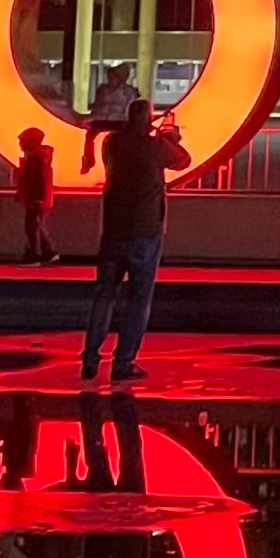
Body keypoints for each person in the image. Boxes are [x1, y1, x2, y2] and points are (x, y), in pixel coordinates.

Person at [81, 99, 188, 382]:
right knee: (139, 300)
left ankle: (90, 359)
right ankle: (123, 362)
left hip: (113, 232)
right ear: (148, 120)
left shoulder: (112, 144)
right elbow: (183, 160)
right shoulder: (156, 148)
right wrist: (169, 138)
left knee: (104, 296)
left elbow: (116, 134)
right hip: (146, 231)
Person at [76, 63, 142, 174]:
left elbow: (129, 110)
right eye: (109, 76)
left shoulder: (129, 92)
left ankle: (123, 163)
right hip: (102, 119)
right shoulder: (103, 90)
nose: (110, 79)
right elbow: (98, 107)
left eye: (113, 76)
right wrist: (91, 118)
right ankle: (88, 160)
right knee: (90, 134)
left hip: (120, 120)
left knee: (121, 140)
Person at [15, 126, 60, 264]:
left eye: (23, 141)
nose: (20, 145)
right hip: (37, 198)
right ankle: (47, 252)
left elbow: (37, 179)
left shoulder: (35, 159)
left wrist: (37, 198)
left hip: (35, 199)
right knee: (37, 225)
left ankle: (36, 254)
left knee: (32, 226)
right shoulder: (39, 157)